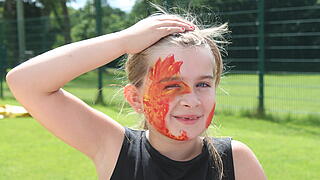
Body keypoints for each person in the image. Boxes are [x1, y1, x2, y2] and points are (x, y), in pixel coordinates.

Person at [6, 7, 266, 180]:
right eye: (171, 85)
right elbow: (25, 82)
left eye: (203, 84)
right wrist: (123, 41)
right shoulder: (115, 149)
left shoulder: (236, 161)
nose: (192, 100)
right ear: (135, 98)